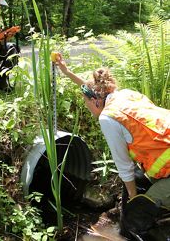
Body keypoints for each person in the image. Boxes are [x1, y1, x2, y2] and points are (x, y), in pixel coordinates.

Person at [55, 54, 170, 239]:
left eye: (86, 103)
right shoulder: (124, 95)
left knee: (135, 214)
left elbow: (125, 168)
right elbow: (89, 88)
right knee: (138, 179)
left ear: (96, 101)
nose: (87, 106)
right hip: (165, 157)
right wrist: (66, 72)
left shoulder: (108, 118)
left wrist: (133, 199)